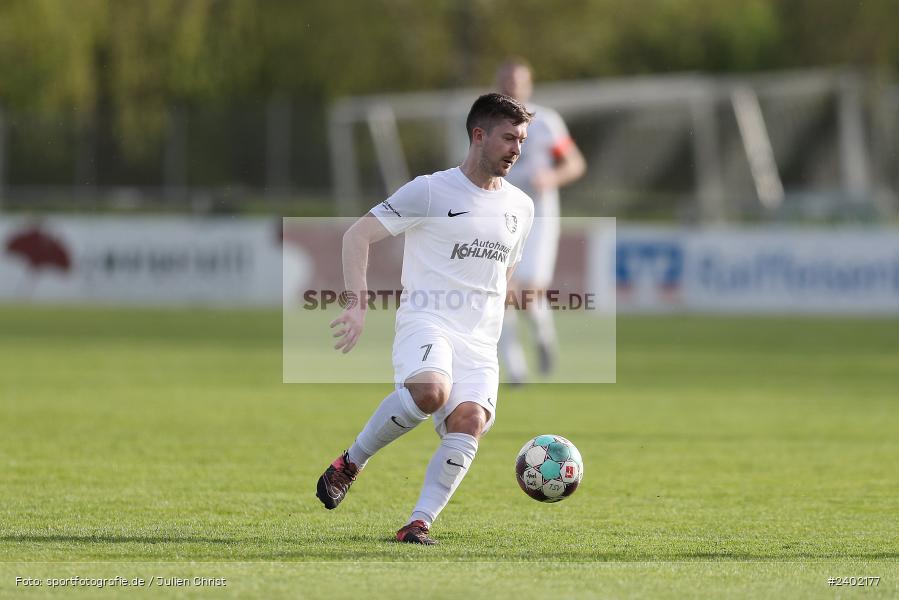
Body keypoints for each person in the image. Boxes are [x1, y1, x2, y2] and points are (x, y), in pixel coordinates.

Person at [317, 93, 535, 545]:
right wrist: (357, 303)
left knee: (470, 420)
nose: (517, 149)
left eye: (522, 140)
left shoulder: (521, 207)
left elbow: (504, 273)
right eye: (509, 138)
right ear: (479, 135)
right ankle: (350, 462)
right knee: (430, 392)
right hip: (428, 320)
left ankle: (418, 523)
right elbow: (358, 235)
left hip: (480, 341)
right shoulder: (431, 190)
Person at [495, 58, 587, 382]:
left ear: (528, 84)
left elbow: (575, 164)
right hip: (501, 215)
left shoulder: (546, 121)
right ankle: (515, 369)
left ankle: (543, 334)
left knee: (528, 291)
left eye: (518, 80)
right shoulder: (489, 121)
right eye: (506, 79)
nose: (512, 85)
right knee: (501, 290)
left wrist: (551, 176)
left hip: (539, 215)